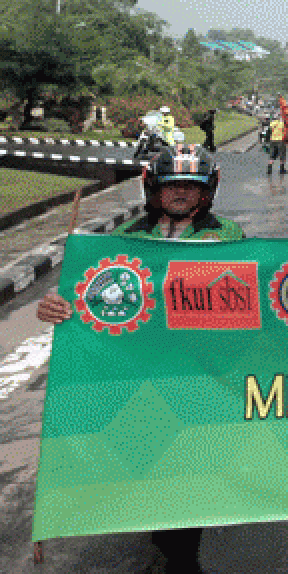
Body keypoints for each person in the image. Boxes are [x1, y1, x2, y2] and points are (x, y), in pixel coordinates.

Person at [37, 144, 242, 574]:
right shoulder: (124, 238)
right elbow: (94, 296)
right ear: (152, 188)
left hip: (197, 381)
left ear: (209, 191)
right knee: (148, 467)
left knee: (188, 479)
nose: (181, 193)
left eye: (191, 185)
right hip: (136, 381)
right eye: (171, 186)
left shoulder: (228, 238)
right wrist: (57, 306)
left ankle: (184, 559)